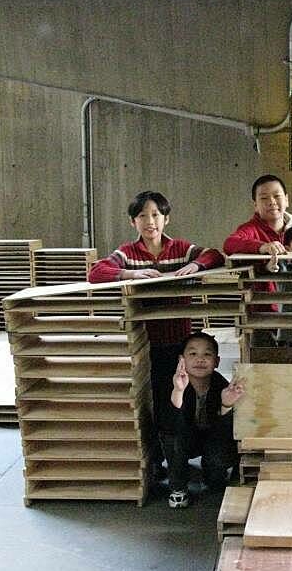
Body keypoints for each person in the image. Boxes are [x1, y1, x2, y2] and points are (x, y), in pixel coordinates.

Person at [88, 190, 225, 471]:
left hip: (181, 343)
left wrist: (196, 265)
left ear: (166, 219)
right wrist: (130, 274)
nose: (150, 221)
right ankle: (159, 459)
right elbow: (96, 272)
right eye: (142, 216)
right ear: (133, 222)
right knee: (156, 401)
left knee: (183, 398)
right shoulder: (127, 254)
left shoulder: (181, 249)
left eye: (155, 215)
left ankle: (185, 454)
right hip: (148, 345)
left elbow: (215, 255)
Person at [159, 332, 244, 508]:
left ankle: (212, 474)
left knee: (216, 481)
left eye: (207, 354)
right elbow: (169, 424)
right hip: (184, 437)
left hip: (211, 439)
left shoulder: (222, 386)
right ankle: (178, 487)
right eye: (193, 354)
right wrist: (178, 392)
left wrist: (226, 405)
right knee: (172, 438)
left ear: (217, 361)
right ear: (181, 360)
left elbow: (226, 432)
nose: (200, 359)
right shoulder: (173, 383)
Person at [223, 174, 292, 345]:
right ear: (255, 205)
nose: (271, 202)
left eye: (277, 196)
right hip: (263, 316)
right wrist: (262, 247)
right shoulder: (249, 229)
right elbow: (229, 243)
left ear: (286, 200)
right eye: (264, 198)